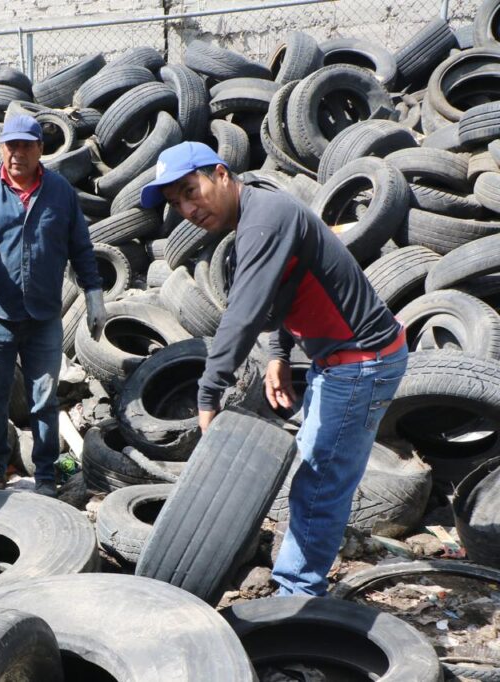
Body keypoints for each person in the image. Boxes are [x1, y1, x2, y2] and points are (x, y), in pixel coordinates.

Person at [139, 141, 408, 596]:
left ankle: (296, 596)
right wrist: (280, 355)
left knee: (320, 483)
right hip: (337, 360)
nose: (187, 208)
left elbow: (242, 315)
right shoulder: (257, 217)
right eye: (176, 202)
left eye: (191, 189)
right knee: (314, 469)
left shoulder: (264, 220)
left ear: (221, 174)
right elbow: (282, 295)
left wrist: (208, 394)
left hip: (362, 363)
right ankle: (302, 569)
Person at [0, 114, 106, 497]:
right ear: (1, 149)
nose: (17, 153)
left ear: (41, 150)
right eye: (10, 145)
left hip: (43, 317)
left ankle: (47, 475)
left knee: (44, 399)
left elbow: (80, 247)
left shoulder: (61, 192)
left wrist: (94, 293)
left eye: (26, 146)